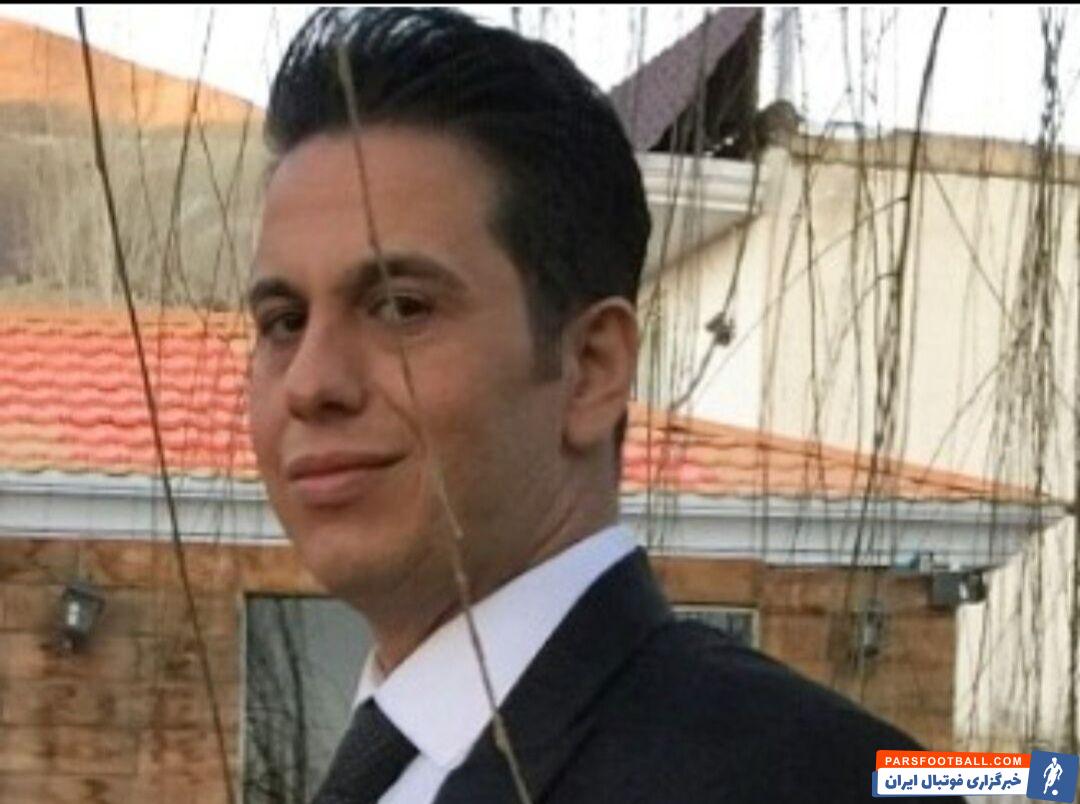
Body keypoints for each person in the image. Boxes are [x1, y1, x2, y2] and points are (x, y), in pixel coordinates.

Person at [246, 8, 959, 803]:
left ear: (591, 368)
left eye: (401, 307)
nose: (311, 383)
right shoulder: (387, 765)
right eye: (283, 322)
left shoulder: (813, 779)